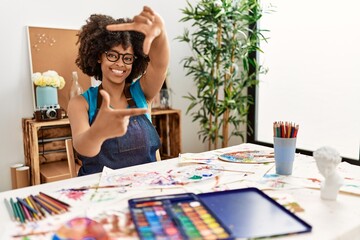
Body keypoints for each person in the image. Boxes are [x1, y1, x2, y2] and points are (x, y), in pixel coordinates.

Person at [67, 6, 169, 176]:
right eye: (112, 55)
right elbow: (83, 146)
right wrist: (97, 133)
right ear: (99, 56)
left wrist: (161, 34)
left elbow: (160, 65)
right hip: (99, 192)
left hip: (144, 186)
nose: (120, 64)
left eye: (127, 58)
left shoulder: (142, 93)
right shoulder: (80, 103)